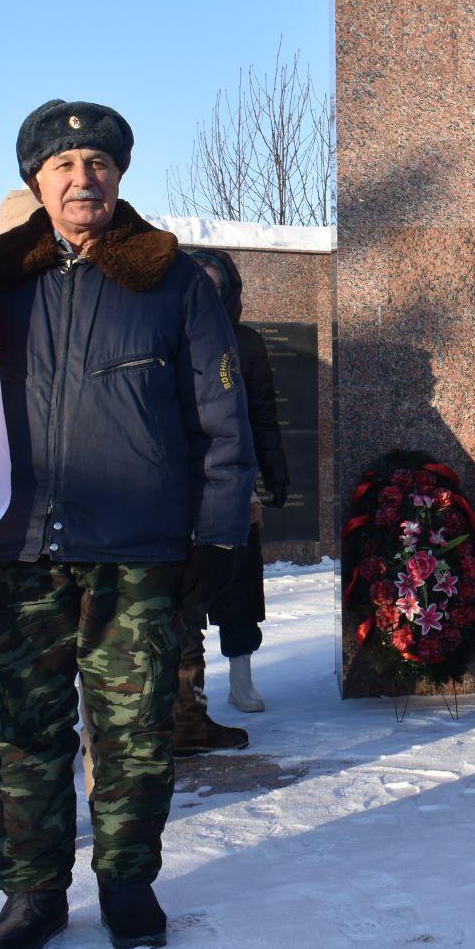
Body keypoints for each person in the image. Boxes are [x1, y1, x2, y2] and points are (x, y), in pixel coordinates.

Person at [0, 99, 256, 949]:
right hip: (18, 549)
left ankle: (129, 883)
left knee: (132, 734)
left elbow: (223, 424)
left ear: (119, 177)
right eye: (63, 166)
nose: (81, 178)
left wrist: (215, 540)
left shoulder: (173, 283)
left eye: (97, 164)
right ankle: (33, 893)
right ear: (36, 183)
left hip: (137, 553)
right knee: (22, 730)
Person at [181, 249, 291, 721]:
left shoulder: (247, 343)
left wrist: (275, 469)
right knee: (185, 590)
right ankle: (188, 693)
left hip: (235, 481)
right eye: (199, 283)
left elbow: (263, 413)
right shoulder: (172, 334)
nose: (209, 292)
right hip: (183, 483)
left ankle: (241, 677)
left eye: (216, 284)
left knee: (240, 584)